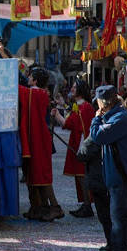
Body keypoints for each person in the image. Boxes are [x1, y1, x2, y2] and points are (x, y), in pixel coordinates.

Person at [90, 85, 127, 251]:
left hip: (122, 174)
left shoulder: (121, 118)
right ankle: (121, 250)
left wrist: (96, 119)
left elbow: (98, 136)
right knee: (120, 215)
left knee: (119, 216)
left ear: (103, 103)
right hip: (119, 174)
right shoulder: (118, 116)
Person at [20, 69, 62, 222]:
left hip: (38, 138)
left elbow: (18, 87)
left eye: (30, 76)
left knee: (41, 175)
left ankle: (55, 207)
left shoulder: (35, 93)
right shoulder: (37, 93)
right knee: (31, 173)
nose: (27, 78)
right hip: (35, 137)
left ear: (35, 81)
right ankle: (37, 207)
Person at [51, 79, 94, 217]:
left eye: (75, 87)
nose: (73, 89)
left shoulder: (85, 107)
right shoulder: (81, 106)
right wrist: (63, 106)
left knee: (82, 176)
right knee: (80, 175)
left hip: (82, 145)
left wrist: (57, 114)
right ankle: (85, 204)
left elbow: (69, 124)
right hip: (79, 143)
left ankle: (87, 205)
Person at [77, 134, 113, 251]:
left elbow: (83, 153)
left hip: (99, 179)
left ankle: (112, 243)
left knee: (105, 215)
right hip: (113, 178)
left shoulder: (98, 132)